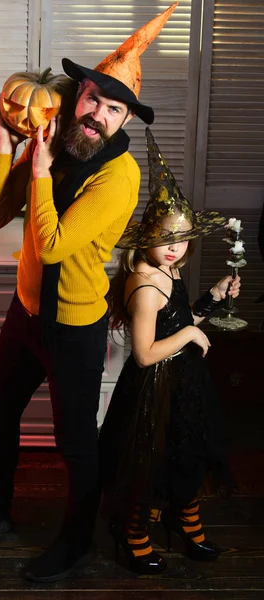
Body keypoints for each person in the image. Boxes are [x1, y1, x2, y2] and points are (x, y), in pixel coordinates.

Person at [0, 3, 178, 584]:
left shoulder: (119, 177)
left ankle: (77, 540)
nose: (96, 116)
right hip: (27, 312)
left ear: (124, 119)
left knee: (74, 442)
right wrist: (6, 149)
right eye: (92, 98)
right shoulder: (57, 140)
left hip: (73, 326)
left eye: (113, 109)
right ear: (78, 95)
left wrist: (40, 175)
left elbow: (54, 247)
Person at [98, 127, 239, 575]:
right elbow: (144, 353)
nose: (174, 248)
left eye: (181, 239)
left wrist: (212, 300)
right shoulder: (144, 284)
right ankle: (133, 531)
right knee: (149, 465)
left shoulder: (171, 271)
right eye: (165, 238)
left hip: (183, 385)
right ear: (146, 237)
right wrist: (190, 339)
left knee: (190, 455)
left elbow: (182, 322)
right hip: (153, 393)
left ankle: (187, 523)